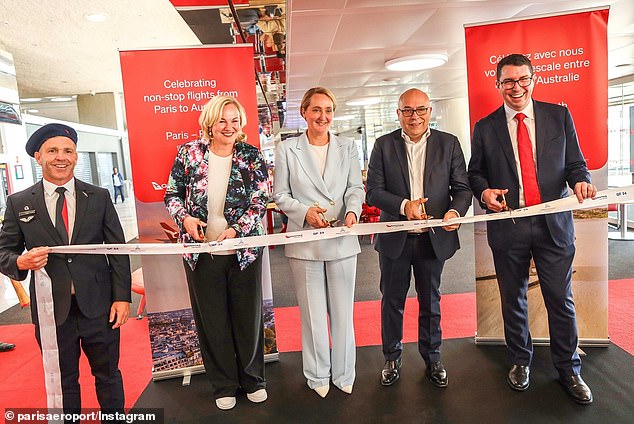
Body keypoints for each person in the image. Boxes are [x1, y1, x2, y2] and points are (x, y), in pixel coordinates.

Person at [467, 54, 597, 405]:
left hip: (553, 226)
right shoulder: (485, 127)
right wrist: (484, 191)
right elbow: (474, 172)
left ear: (534, 79)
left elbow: (575, 164)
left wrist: (582, 182)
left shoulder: (559, 116)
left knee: (560, 300)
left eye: (523, 79)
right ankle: (520, 361)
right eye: (508, 81)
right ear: (497, 85)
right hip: (509, 226)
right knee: (514, 300)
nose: (516, 87)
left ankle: (569, 370)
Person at [0, 123, 131, 419]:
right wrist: (20, 263)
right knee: (64, 380)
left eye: (68, 151)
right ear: (38, 156)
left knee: (109, 375)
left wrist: (122, 297)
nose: (61, 157)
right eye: (53, 150)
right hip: (51, 311)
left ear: (75, 156)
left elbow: (118, 250)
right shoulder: (19, 202)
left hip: (100, 306)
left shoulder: (98, 197)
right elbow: (3, 252)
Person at [164, 96, 269, 411]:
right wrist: (185, 218)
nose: (229, 126)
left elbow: (260, 198)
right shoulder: (188, 153)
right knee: (212, 321)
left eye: (235, 120)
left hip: (244, 251)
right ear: (209, 122)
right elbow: (171, 194)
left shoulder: (251, 155)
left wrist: (236, 230)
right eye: (223, 120)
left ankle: (253, 380)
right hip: (201, 254)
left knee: (248, 317)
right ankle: (224, 383)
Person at [366, 88, 472, 388]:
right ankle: (391, 356)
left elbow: (462, 188)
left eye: (421, 110)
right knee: (392, 301)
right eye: (408, 111)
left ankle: (433, 357)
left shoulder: (448, 144)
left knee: (431, 301)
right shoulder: (383, 145)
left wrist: (454, 212)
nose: (415, 116)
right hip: (395, 240)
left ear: (430, 111)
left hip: (433, 239)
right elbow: (373, 191)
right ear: (398, 114)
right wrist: (404, 206)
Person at [274, 86, 364, 398]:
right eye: (316, 110)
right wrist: (304, 212)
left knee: (343, 312)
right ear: (304, 113)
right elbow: (280, 195)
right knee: (312, 315)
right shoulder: (287, 149)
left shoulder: (348, 146)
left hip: (341, 237)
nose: (322, 117)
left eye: (328, 111)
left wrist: (353, 212)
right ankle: (317, 376)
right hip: (304, 241)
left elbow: (355, 187)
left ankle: (344, 372)